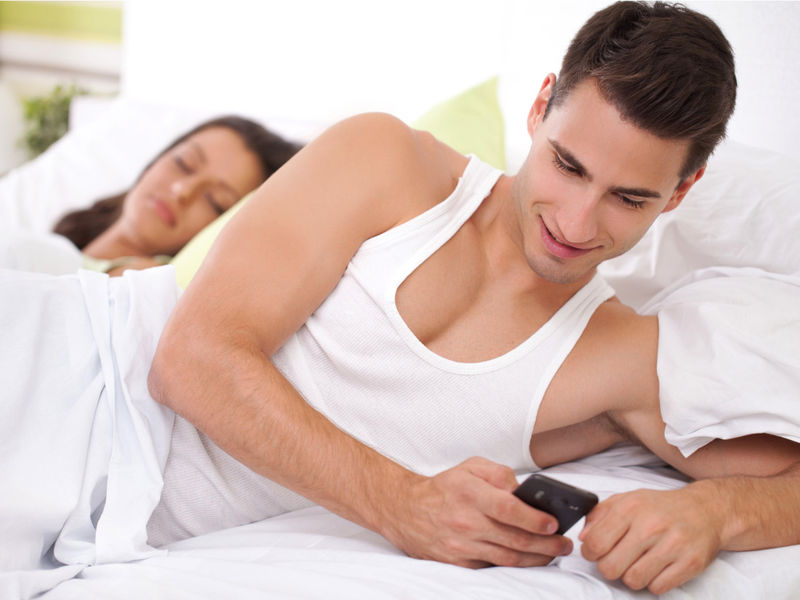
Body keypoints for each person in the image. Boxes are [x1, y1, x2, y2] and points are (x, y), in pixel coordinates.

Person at [142, 1, 800, 596]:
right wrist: (402, 503)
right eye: (567, 165)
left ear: (680, 192)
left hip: (122, 527)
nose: (575, 223)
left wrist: (715, 511)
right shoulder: (386, 162)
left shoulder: (618, 358)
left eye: (628, 199)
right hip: (98, 390)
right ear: (540, 108)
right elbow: (190, 359)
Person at [48, 116, 301, 276]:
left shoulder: (142, 282)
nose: (183, 191)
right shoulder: (62, 243)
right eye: (184, 163)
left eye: (215, 202)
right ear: (159, 157)